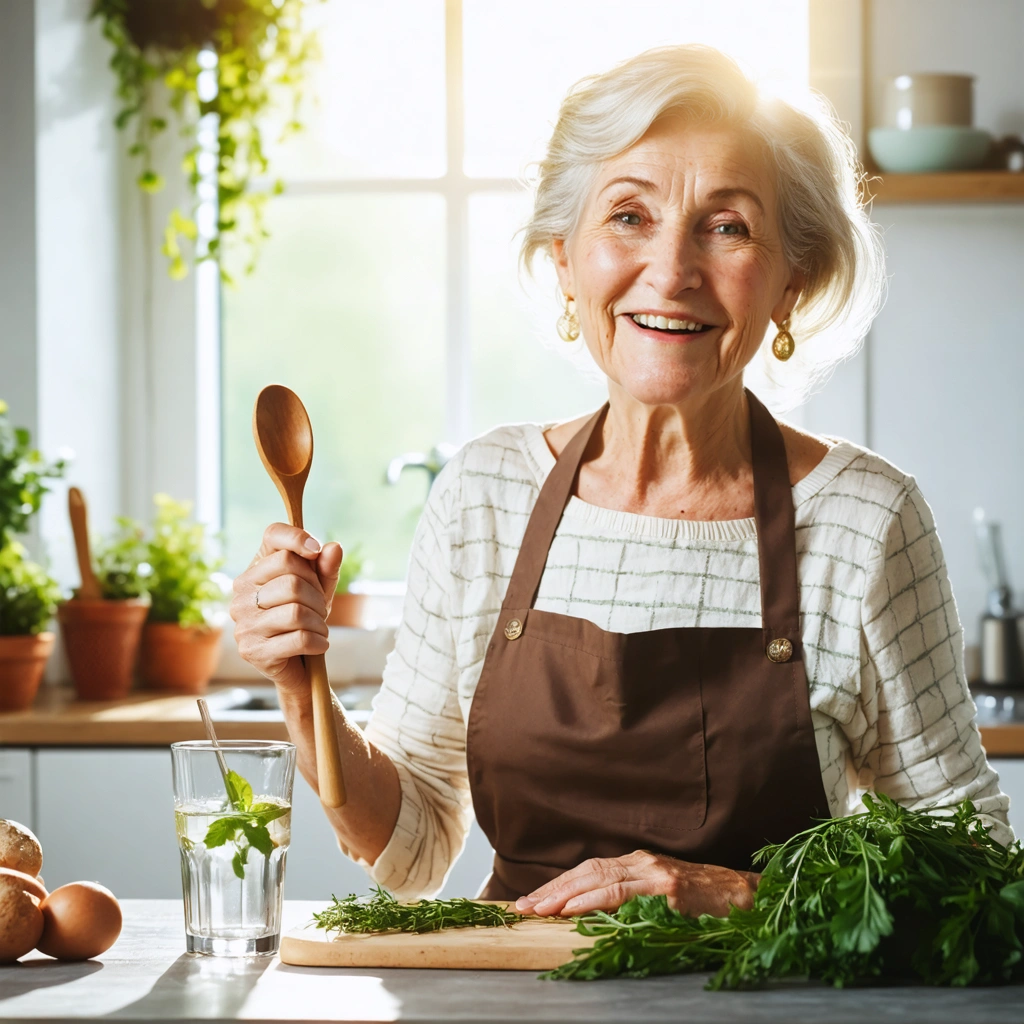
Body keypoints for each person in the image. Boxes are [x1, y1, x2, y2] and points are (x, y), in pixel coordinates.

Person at [230, 45, 1010, 919]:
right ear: (565, 260)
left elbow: (976, 873)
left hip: (764, 991)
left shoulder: (864, 519)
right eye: (629, 216)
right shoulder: (486, 496)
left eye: (727, 226)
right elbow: (410, 847)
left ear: (792, 281)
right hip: (510, 986)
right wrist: (300, 686)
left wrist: (739, 897)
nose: (671, 272)